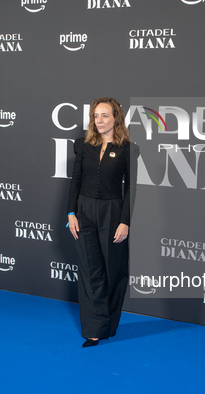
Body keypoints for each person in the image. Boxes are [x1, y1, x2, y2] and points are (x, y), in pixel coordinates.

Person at [67, 97, 139, 348]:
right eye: (96, 116)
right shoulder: (82, 145)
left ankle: (109, 323)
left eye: (105, 115)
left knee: (113, 271)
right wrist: (70, 214)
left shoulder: (128, 149)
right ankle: (94, 330)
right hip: (84, 212)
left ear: (116, 118)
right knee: (90, 272)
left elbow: (131, 188)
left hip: (112, 212)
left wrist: (125, 221)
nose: (99, 120)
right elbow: (75, 181)